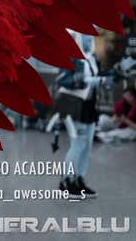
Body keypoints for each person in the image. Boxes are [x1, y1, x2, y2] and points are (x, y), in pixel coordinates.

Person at [54, 33, 102, 199]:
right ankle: (66, 182)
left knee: (87, 144)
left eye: (91, 38)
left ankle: (79, 179)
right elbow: (62, 80)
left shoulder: (91, 58)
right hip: (73, 104)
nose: (89, 41)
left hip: (89, 105)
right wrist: (83, 80)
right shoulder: (72, 57)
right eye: (85, 38)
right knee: (77, 144)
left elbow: (96, 79)